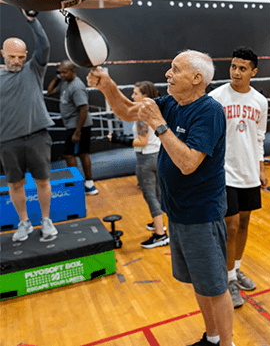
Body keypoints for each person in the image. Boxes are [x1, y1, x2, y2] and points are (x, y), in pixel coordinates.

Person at [88, 50, 234, 346]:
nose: (168, 74)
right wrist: (107, 86)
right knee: (200, 283)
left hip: (201, 214)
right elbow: (129, 111)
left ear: (196, 78)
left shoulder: (209, 111)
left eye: (175, 69)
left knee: (216, 287)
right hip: (177, 211)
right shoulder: (171, 103)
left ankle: (227, 344)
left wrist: (160, 125)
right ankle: (213, 337)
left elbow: (189, 162)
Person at [208, 46, 269, 308]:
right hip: (224, 172)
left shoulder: (260, 101)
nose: (236, 72)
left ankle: (236, 268)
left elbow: (259, 137)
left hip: (249, 172)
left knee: (244, 222)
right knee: (230, 224)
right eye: (233, 66)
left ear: (253, 72)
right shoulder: (216, 97)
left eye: (242, 68)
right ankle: (229, 278)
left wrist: (261, 168)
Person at [0, 9, 58, 242]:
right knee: (15, 184)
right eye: (12, 56)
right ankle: (24, 222)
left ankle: (46, 220)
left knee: (43, 180)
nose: (17, 61)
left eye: (21, 56)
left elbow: (44, 45)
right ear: (3, 53)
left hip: (37, 136)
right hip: (7, 140)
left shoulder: (34, 69)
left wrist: (32, 21)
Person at [110, 81, 168, 249]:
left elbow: (142, 141)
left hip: (147, 159)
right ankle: (159, 223)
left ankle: (160, 235)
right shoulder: (156, 109)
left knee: (150, 197)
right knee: (157, 195)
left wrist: (117, 139)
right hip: (158, 156)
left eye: (135, 93)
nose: (132, 96)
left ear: (145, 96)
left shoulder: (142, 114)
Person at [47, 60, 98, 195]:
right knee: (80, 153)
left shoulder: (77, 87)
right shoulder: (65, 83)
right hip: (72, 125)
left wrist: (77, 132)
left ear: (72, 71)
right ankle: (86, 184)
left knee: (72, 154)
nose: (62, 75)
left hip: (79, 126)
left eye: (64, 72)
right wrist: (58, 77)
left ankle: (82, 183)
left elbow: (83, 109)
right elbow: (50, 90)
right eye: (60, 72)